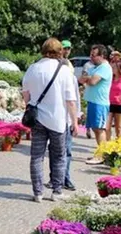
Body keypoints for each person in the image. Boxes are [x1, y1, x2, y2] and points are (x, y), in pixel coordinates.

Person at [22, 38, 79, 203]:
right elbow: (70, 100)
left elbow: (25, 93)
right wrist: (74, 121)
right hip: (58, 120)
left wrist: (30, 106)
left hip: (37, 118)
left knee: (36, 156)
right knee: (59, 156)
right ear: (59, 51)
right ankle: (56, 191)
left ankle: (38, 192)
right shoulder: (64, 71)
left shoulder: (33, 68)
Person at [80, 45, 112, 163]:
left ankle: (101, 156)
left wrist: (88, 78)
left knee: (99, 129)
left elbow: (92, 81)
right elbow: (82, 79)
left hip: (100, 103)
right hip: (93, 102)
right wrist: (89, 77)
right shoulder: (95, 67)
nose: (91, 57)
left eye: (94, 55)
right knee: (95, 128)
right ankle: (100, 153)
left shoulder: (104, 67)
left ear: (102, 56)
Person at [59, 40, 81, 191]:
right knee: (62, 151)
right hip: (59, 118)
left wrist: (75, 119)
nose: (67, 50)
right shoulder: (62, 74)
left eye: (68, 48)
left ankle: (63, 178)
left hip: (64, 118)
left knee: (65, 150)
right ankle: (59, 178)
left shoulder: (71, 76)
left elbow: (75, 100)